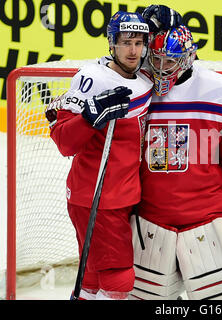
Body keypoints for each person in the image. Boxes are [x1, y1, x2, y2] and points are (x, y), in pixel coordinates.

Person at [126, 6, 222, 300]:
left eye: (169, 61)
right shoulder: (137, 85)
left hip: (207, 221)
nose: (161, 67)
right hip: (149, 220)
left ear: (188, 57)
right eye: (156, 59)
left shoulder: (217, 87)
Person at [45, 11, 153, 300]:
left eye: (139, 43)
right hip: (97, 196)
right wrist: (90, 117)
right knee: (119, 278)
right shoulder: (92, 78)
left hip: (118, 195)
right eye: (126, 42)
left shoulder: (144, 77)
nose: (133, 50)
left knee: (92, 275)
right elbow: (65, 143)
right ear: (112, 43)